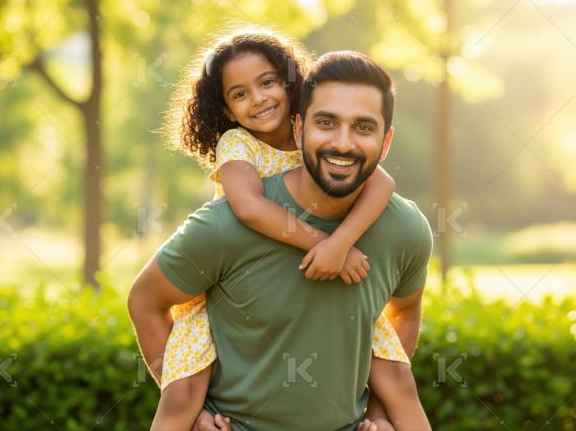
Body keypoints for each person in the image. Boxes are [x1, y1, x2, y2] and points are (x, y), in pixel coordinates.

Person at [129, 49, 432, 430]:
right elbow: (145, 300)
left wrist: (379, 411)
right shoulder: (224, 221)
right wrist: (197, 413)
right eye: (327, 122)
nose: (343, 143)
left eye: (363, 127)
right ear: (300, 129)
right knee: (180, 402)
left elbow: (405, 312)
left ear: (385, 144)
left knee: (399, 383)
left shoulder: (404, 228)